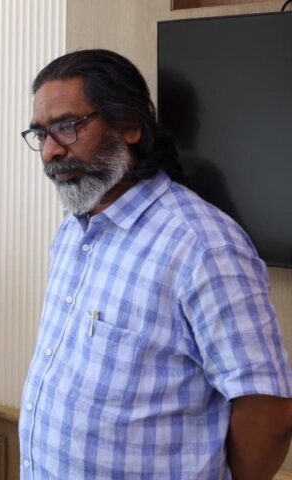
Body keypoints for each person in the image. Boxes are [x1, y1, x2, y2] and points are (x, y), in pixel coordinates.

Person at [17, 49, 292, 479]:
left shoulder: (202, 246)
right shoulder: (73, 229)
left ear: (129, 125)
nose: (50, 151)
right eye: (40, 133)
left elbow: (268, 415)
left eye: (68, 127)